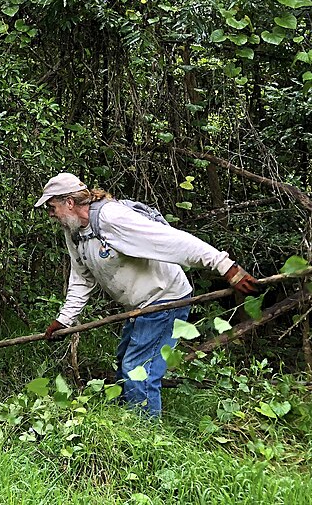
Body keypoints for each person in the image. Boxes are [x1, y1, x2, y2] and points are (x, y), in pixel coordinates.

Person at [36, 172, 259, 417]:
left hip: (166, 299)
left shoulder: (113, 217)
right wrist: (64, 320)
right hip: (140, 305)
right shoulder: (75, 232)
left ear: (69, 202)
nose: (50, 213)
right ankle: (127, 424)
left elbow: (171, 241)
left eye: (51, 206)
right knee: (124, 363)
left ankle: (147, 438)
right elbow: (81, 278)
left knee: (138, 370)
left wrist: (225, 266)